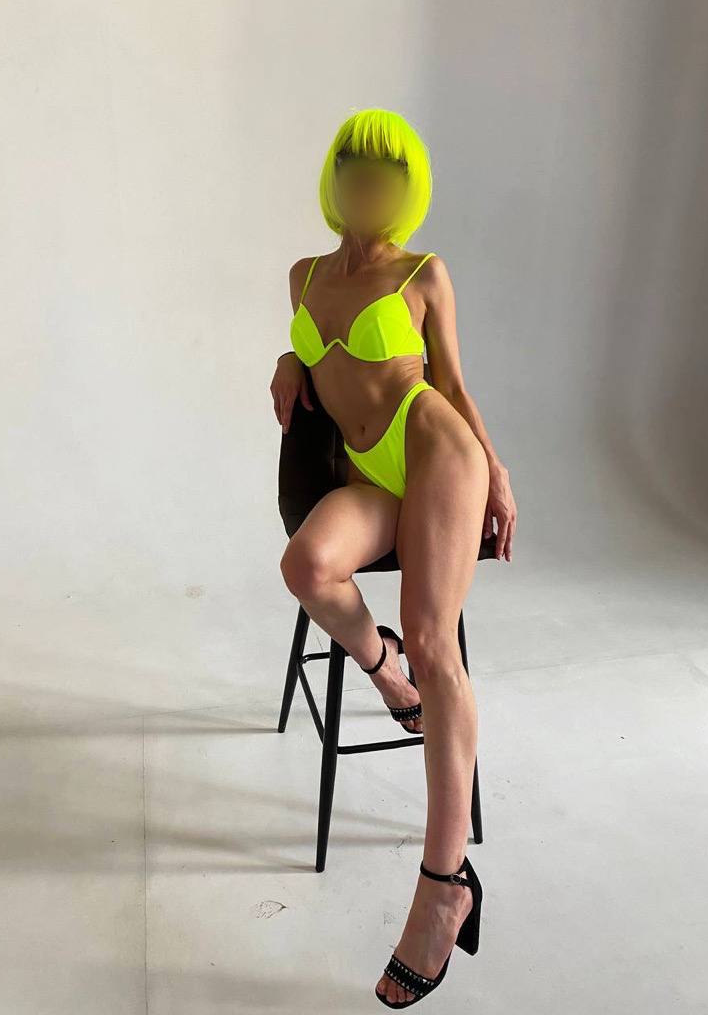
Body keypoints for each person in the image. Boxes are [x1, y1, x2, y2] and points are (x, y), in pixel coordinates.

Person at [270, 107, 517, 1008]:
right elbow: (320, 361)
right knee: (307, 567)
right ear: (335, 181)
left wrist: (495, 472)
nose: (366, 187)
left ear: (406, 188)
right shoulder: (303, 276)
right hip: (367, 469)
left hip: (433, 447)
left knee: (436, 641)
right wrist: (286, 361)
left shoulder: (422, 272)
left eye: (386, 174)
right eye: (354, 170)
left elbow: (452, 384)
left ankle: (444, 885)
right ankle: (386, 670)